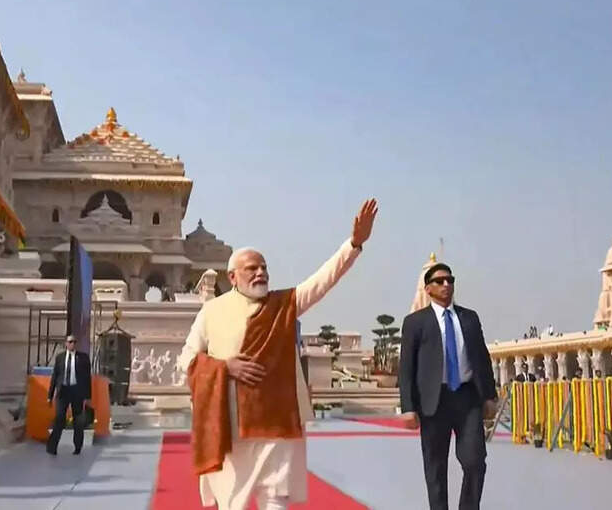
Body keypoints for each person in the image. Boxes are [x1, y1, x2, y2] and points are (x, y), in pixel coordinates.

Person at [177, 198, 378, 510]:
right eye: (252, 268)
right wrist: (224, 366)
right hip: (231, 424)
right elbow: (186, 360)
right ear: (232, 277)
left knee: (276, 500)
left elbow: (323, 281)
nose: (260, 273)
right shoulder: (211, 311)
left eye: (264, 268)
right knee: (235, 503)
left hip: (278, 421)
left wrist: (353, 244)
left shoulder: (284, 305)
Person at [398, 263, 498, 510]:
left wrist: (489, 396)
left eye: (450, 280)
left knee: (475, 461)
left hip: (466, 398)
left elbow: (482, 359)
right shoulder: (415, 323)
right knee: (435, 468)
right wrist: (408, 407)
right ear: (428, 288)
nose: (447, 285)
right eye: (440, 281)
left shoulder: (469, 318)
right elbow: (406, 367)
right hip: (434, 401)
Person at [46, 335, 92, 455]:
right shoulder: (60, 357)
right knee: (59, 419)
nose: (72, 344)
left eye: (74, 342)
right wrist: (50, 395)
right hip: (63, 391)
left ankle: (77, 447)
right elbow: (55, 377)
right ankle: (52, 447)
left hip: (77, 391)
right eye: (70, 342)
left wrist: (88, 396)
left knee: (78, 421)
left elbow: (87, 378)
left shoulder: (83, 358)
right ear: (66, 343)